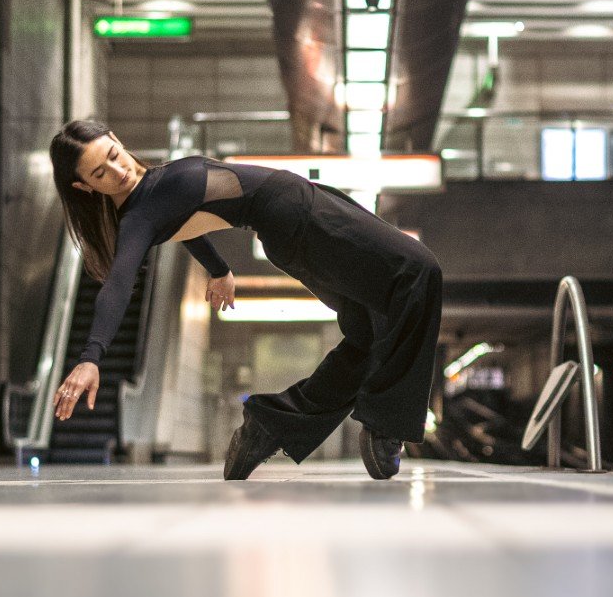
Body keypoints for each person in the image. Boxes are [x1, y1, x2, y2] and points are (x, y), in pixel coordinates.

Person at [48, 118, 444, 480]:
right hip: (300, 214)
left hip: (292, 221)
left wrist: (218, 269)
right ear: (85, 187)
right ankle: (387, 427)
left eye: (114, 156)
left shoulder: (152, 195)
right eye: (100, 173)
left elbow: (186, 221)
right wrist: (90, 357)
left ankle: (270, 425)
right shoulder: (137, 217)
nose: (118, 172)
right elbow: (117, 284)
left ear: (117, 139)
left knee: (367, 331)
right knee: (419, 271)